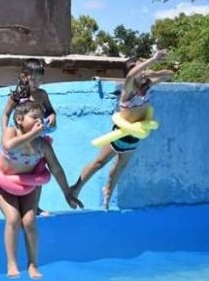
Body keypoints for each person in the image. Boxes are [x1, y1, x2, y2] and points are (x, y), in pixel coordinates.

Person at [70, 50, 174, 209]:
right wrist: (152, 59)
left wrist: (154, 72)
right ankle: (76, 188)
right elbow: (131, 76)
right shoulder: (128, 88)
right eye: (137, 67)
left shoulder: (146, 86)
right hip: (120, 133)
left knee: (119, 166)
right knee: (99, 162)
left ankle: (108, 192)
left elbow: (169, 74)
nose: (141, 70)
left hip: (133, 136)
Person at [0, 101, 82, 279]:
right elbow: (9, 145)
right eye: (34, 118)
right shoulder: (12, 131)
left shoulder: (42, 144)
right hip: (4, 185)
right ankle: (11, 263)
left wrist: (67, 193)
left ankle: (33, 263)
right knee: (13, 218)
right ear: (19, 119)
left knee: (29, 221)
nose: (39, 122)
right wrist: (33, 133)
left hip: (29, 186)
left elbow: (56, 168)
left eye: (41, 119)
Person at [1, 59, 56, 216]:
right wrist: (5, 131)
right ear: (24, 77)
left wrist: (52, 116)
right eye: (34, 79)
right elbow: (5, 114)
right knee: (21, 171)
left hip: (38, 140)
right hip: (21, 140)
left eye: (40, 79)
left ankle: (35, 206)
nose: (37, 83)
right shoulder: (16, 96)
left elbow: (50, 110)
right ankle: (15, 203)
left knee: (38, 171)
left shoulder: (42, 94)